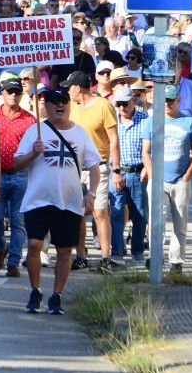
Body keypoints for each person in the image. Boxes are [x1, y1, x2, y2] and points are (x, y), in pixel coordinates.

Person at [11, 87, 100, 316]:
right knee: (34, 245)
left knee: (64, 251)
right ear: (46, 106)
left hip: (69, 201)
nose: (60, 106)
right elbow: (17, 164)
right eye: (54, 102)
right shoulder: (35, 131)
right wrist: (33, 153)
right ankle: (35, 290)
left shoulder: (80, 133)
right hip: (38, 199)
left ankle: (57, 295)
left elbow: (94, 165)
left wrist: (91, 193)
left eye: (64, 101)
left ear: (69, 105)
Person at [143, 85, 192, 273]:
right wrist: (152, 176)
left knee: (180, 222)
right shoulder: (151, 122)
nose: (167, 104)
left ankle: (176, 261)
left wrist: (186, 177)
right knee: (156, 222)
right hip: (158, 180)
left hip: (180, 181)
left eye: (171, 100)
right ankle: (155, 257)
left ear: (178, 101)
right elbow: (146, 151)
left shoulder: (189, 122)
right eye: (165, 100)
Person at [66, 71, 120, 269]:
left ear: (78, 88)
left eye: (69, 87)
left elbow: (113, 138)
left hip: (99, 166)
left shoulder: (103, 106)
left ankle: (106, 256)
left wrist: (117, 169)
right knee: (78, 214)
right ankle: (81, 256)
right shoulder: (71, 107)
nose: (68, 91)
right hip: (75, 168)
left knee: (99, 212)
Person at [0, 75, 35, 278]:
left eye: (17, 92)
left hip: (20, 174)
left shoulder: (30, 120)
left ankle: (14, 260)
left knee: (18, 220)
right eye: (10, 92)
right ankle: (0, 248)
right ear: (2, 94)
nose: (14, 95)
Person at [109, 86, 150, 263]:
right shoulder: (112, 120)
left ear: (133, 101)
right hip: (117, 171)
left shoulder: (144, 119)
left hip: (137, 171)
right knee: (116, 214)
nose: (122, 108)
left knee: (139, 215)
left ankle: (138, 252)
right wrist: (115, 171)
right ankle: (117, 253)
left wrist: (147, 167)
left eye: (125, 104)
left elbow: (152, 146)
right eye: (118, 104)